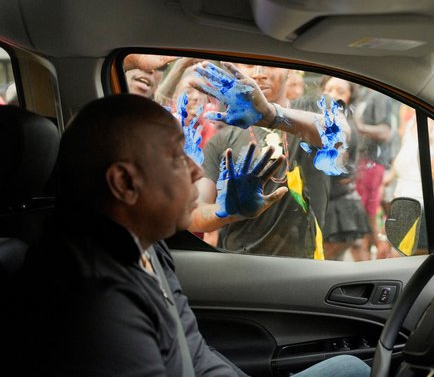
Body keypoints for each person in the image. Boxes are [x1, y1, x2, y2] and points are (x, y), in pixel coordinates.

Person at [6, 94, 369, 376]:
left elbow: (194, 351)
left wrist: (270, 115)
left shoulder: (148, 248)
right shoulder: (95, 303)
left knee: (351, 367)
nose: (196, 171)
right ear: (125, 183)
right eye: (178, 157)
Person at [189, 63, 350, 259]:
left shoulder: (310, 110)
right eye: (249, 65)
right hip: (238, 265)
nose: (258, 74)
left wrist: (274, 115)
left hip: (305, 267)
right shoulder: (222, 141)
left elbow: (341, 135)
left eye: (269, 65)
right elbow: (194, 214)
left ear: (290, 69)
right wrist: (229, 212)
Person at [320, 76, 371, 260]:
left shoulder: (345, 128)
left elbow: (345, 175)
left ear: (350, 98)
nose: (333, 95)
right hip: (332, 206)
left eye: (340, 92)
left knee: (323, 265)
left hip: (339, 210)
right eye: (329, 89)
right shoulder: (322, 122)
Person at [351, 88, 394, 260]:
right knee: (361, 220)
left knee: (364, 217)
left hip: (372, 161)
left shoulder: (380, 94)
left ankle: (380, 252)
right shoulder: (363, 93)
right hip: (360, 162)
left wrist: (359, 127)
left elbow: (385, 132)